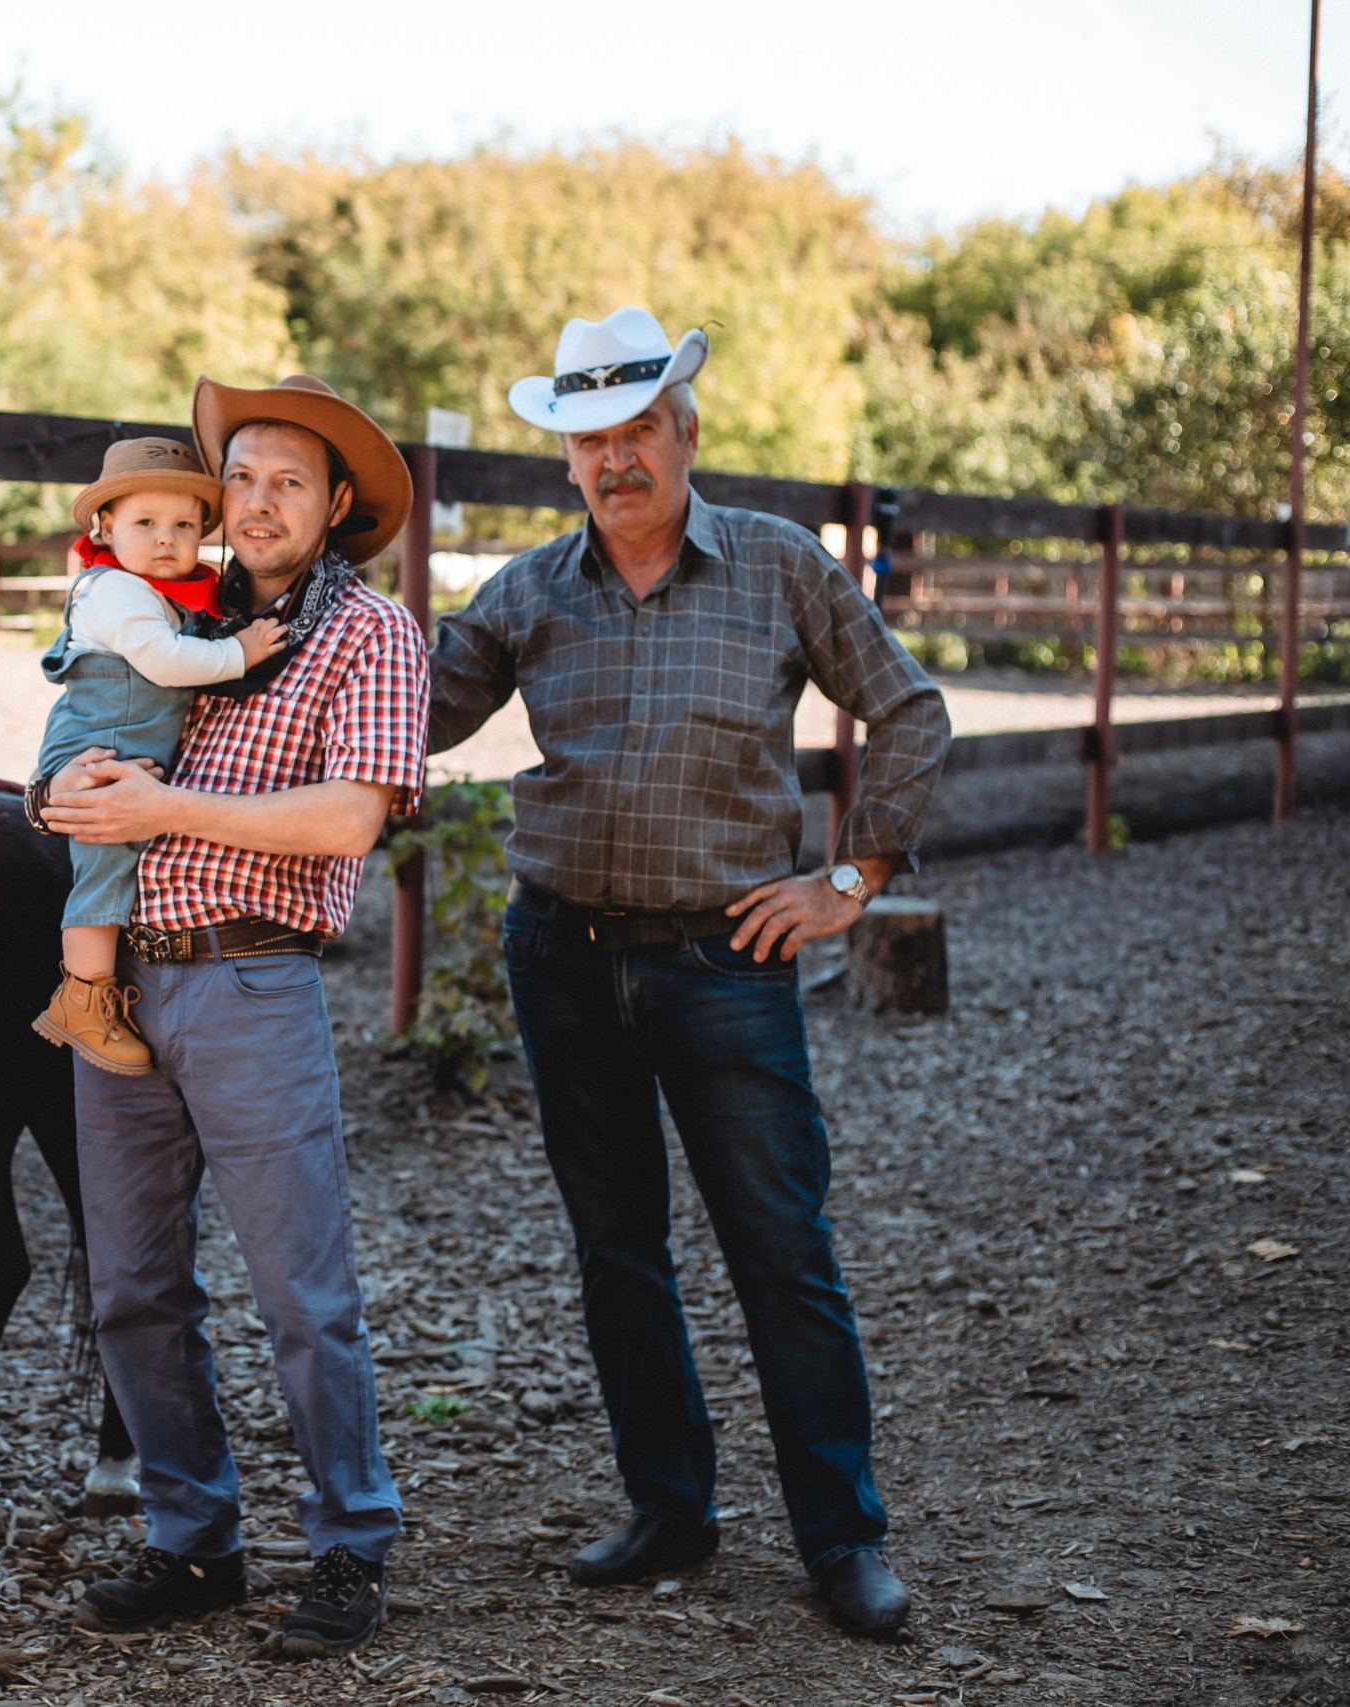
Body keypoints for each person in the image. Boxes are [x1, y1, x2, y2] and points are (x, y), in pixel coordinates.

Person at [426, 307, 952, 1633]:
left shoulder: (776, 563)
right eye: (588, 440)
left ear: (687, 432)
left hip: (726, 958)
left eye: (638, 430)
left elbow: (909, 708)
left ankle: (842, 1536)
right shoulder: (526, 592)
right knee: (617, 1247)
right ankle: (669, 1508)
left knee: (781, 1248)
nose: (615, 459)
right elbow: (408, 713)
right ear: (565, 459)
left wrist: (850, 880)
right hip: (560, 953)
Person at [32, 374, 428, 1659]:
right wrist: (58, 792)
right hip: (122, 984)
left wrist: (160, 810)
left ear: (336, 504)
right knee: (132, 1287)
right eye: (240, 478)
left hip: (251, 979)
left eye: (287, 483)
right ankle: (193, 1535)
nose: (256, 503)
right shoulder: (166, 607)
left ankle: (350, 1542)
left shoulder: (370, 635)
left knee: (301, 1290)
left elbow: (348, 819)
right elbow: (80, 736)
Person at [30, 437, 287, 1075]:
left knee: (115, 859)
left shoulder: (159, 590)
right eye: (145, 523)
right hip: (99, 747)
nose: (166, 538)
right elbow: (166, 661)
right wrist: (240, 652)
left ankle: (93, 989)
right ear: (105, 526)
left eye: (183, 526)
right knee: (106, 864)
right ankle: (82, 998)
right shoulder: (115, 590)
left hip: (125, 741)